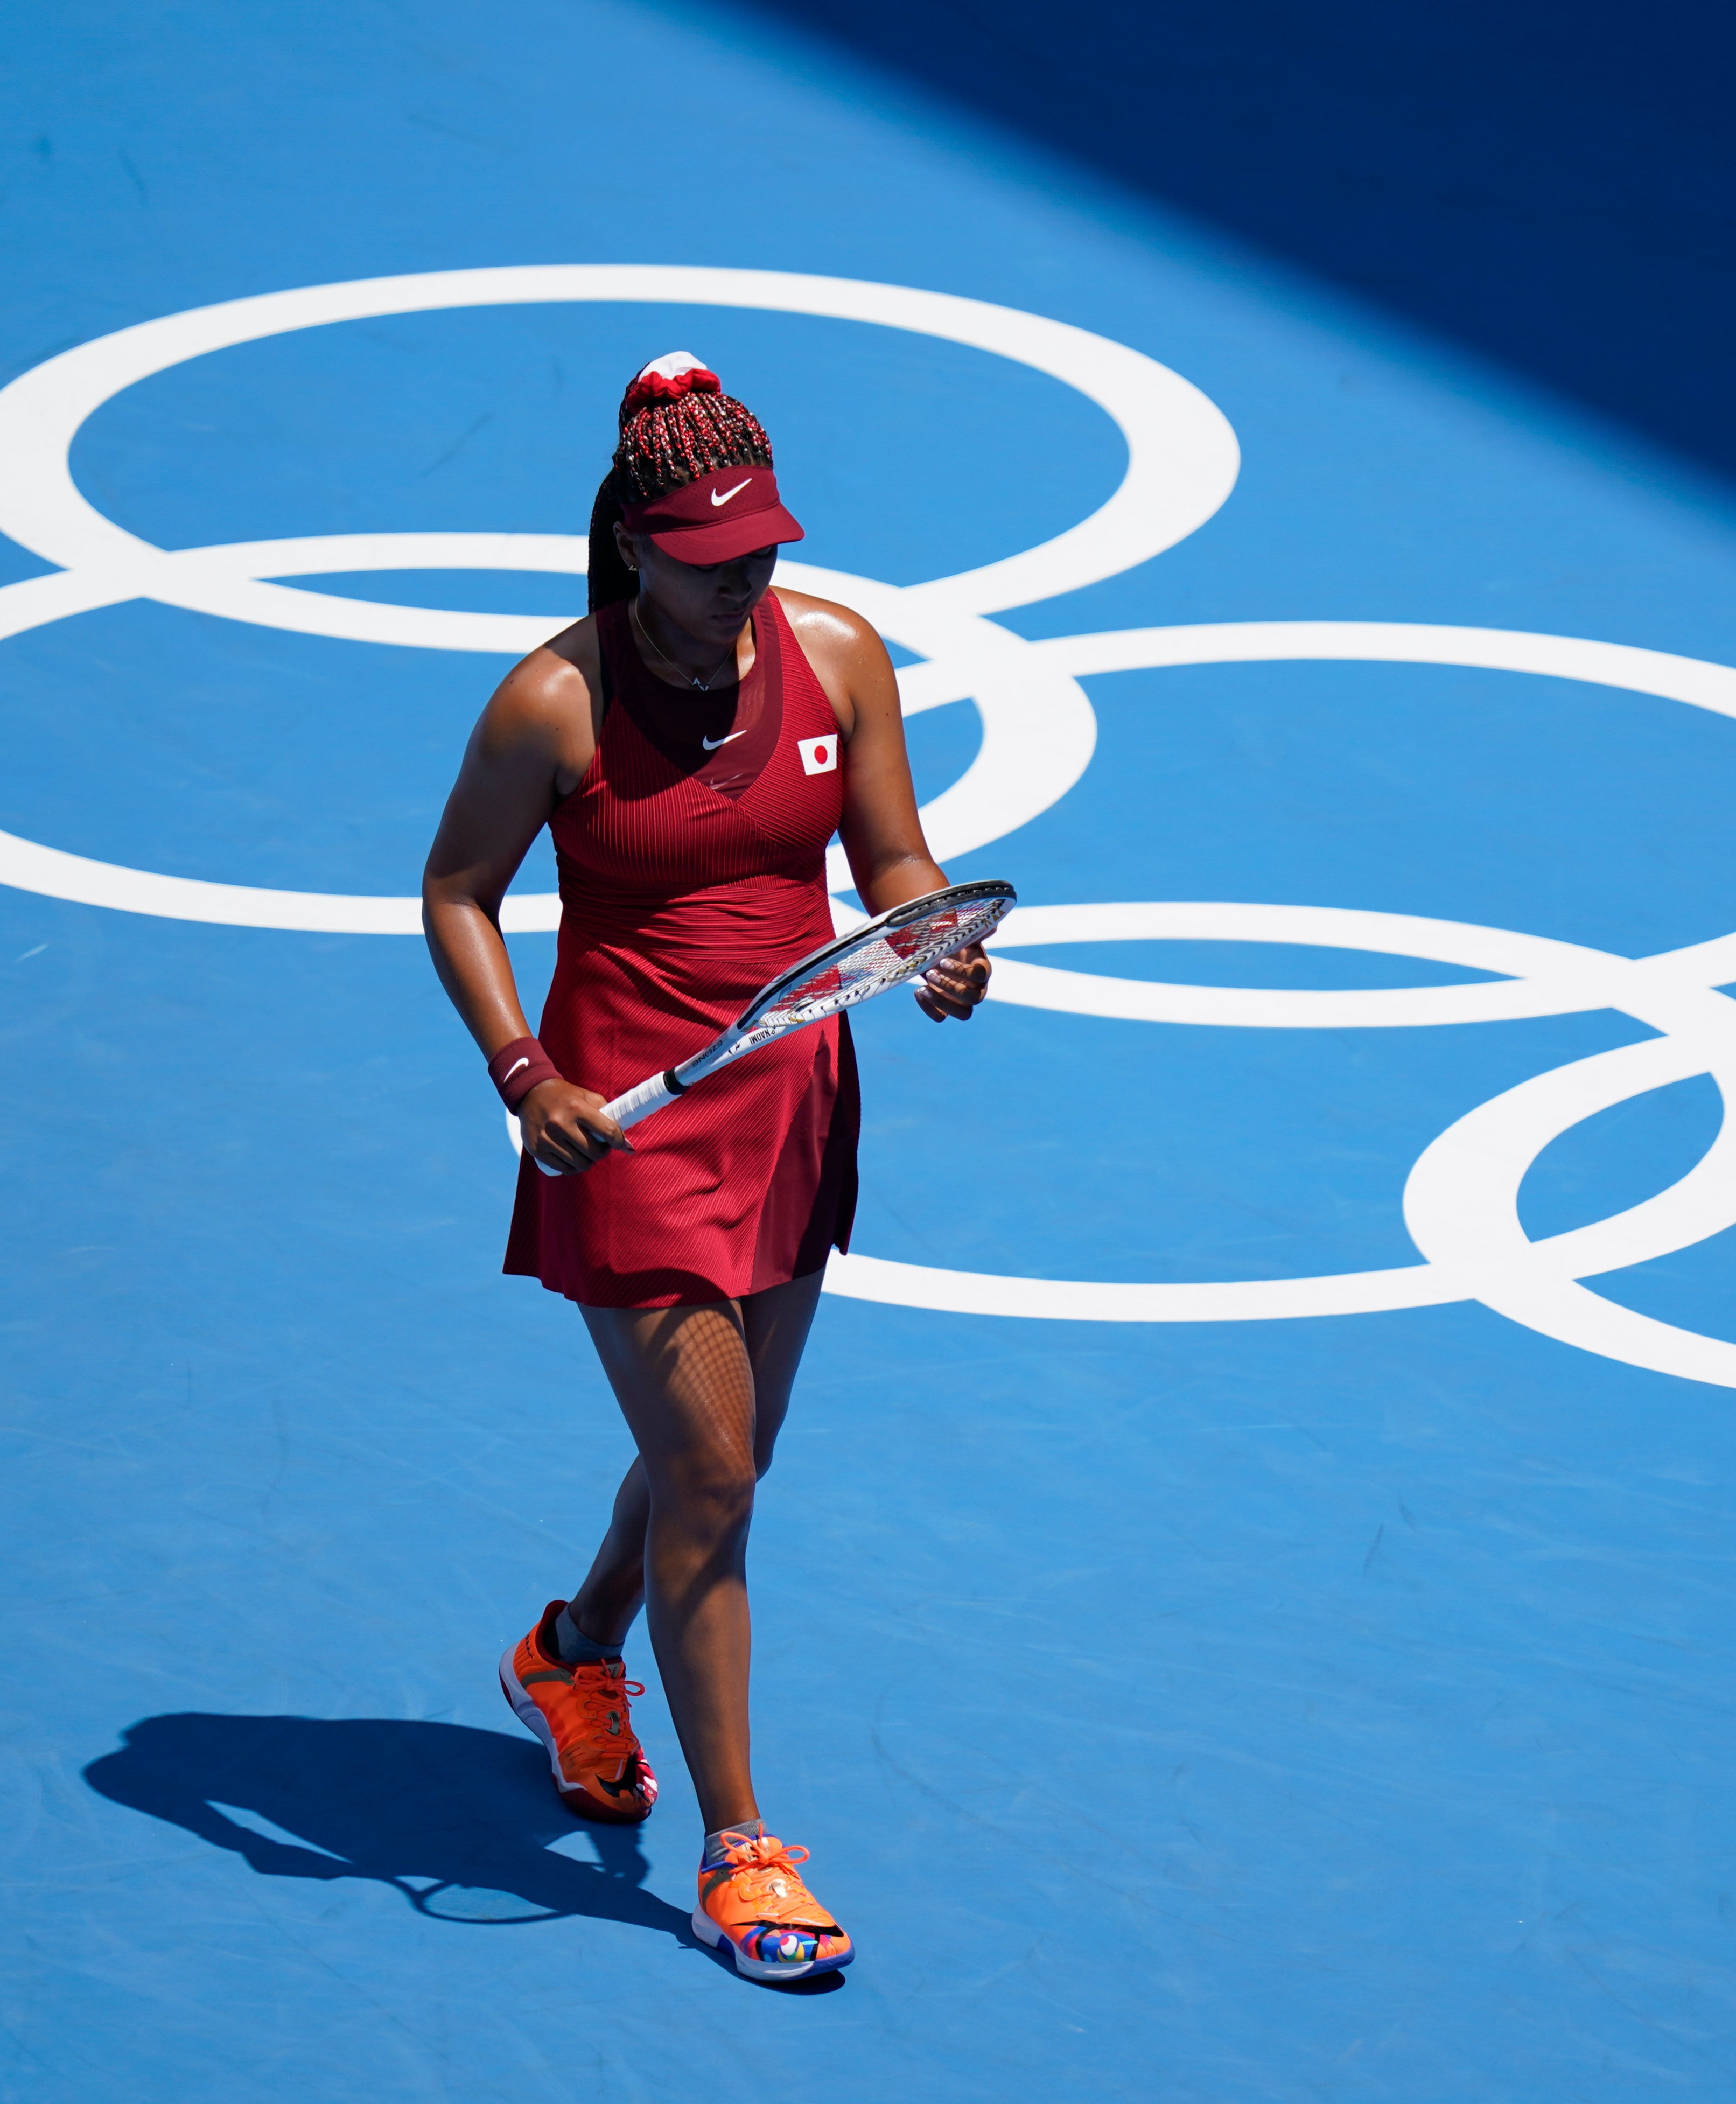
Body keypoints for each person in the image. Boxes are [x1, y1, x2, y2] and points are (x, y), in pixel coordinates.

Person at [419, 352, 990, 1982]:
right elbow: (455, 891)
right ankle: (745, 1850)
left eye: (766, 547)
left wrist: (929, 936)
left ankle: (571, 1650)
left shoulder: (839, 656)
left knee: (717, 1463)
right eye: (713, 553)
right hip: (628, 1118)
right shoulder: (554, 701)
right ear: (632, 545)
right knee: (719, 1479)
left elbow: (892, 858)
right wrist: (523, 1072)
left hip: (798, 1095)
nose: (751, 576)